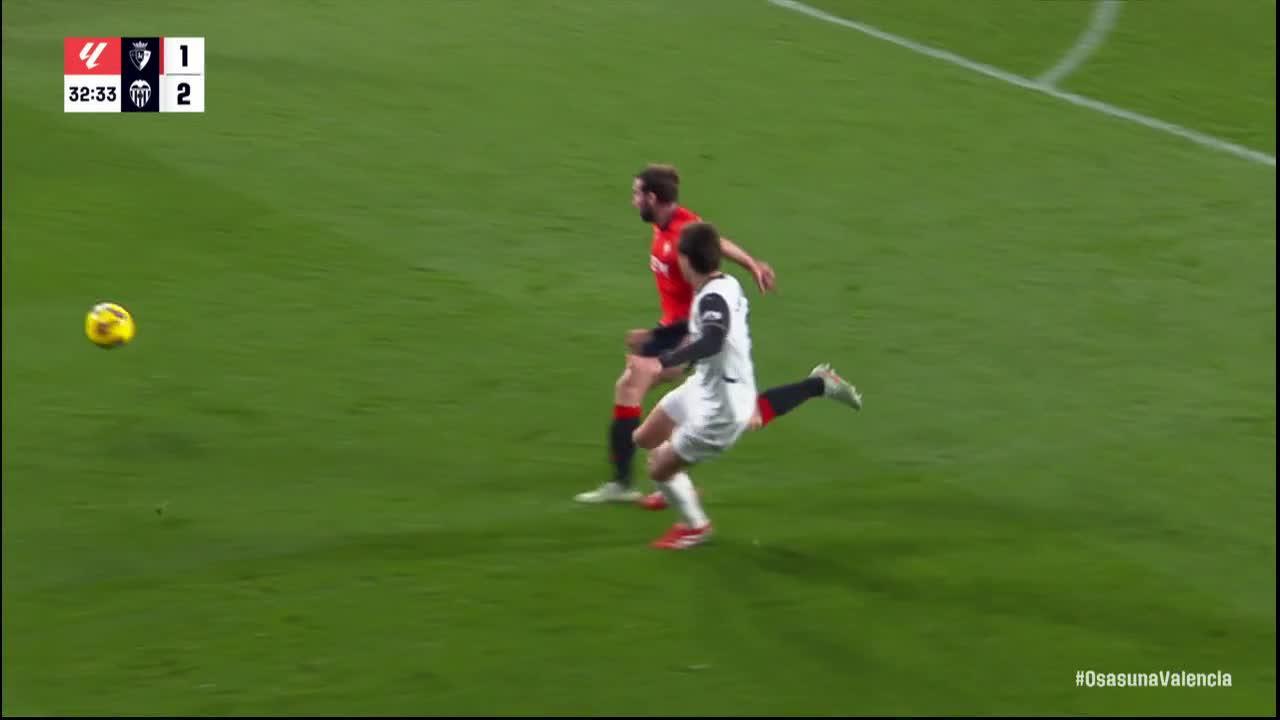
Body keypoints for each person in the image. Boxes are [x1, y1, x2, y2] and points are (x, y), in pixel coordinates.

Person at [575, 165, 861, 506]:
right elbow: (716, 242)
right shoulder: (670, 221)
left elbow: (715, 245)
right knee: (742, 416)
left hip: (689, 332)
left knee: (640, 388)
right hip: (674, 328)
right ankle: (818, 384)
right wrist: (752, 264)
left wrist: (751, 265)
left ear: (653, 198)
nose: (632, 200)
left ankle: (643, 482)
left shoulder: (681, 229)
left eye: (637, 194)